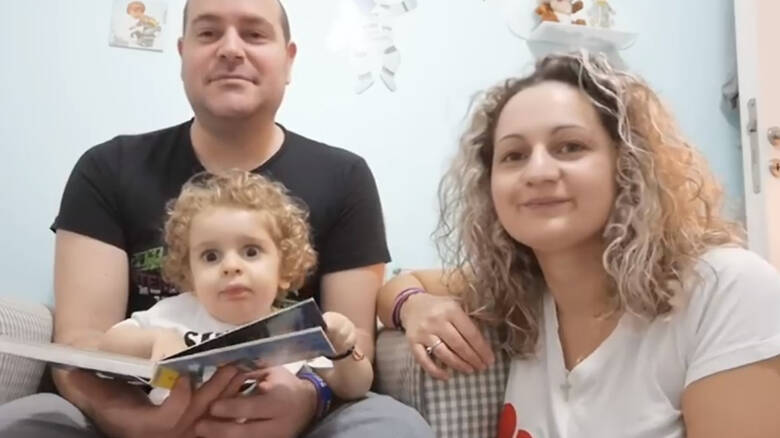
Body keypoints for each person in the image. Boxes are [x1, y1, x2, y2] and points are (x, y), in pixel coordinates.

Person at [0, 0, 432, 437]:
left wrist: (310, 398)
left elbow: (353, 347)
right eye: (208, 33)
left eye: (254, 34)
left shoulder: (345, 176)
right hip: (131, 415)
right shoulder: (107, 168)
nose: (230, 49)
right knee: (27, 424)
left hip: (301, 422)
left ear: (289, 59)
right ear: (182, 53)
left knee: (390, 426)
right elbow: (82, 346)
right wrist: (137, 421)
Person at [377, 52, 780, 437]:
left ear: (626, 164)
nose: (538, 171)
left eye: (570, 146)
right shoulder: (523, 291)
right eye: (514, 155)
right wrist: (414, 306)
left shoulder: (723, 290)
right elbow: (400, 286)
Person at [99, 170, 373, 404]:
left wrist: (344, 349)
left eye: (251, 251)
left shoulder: (296, 330)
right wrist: (154, 340)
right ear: (190, 274)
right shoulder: (174, 314)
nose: (230, 266)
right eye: (211, 256)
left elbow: (354, 388)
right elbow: (108, 345)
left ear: (285, 268)